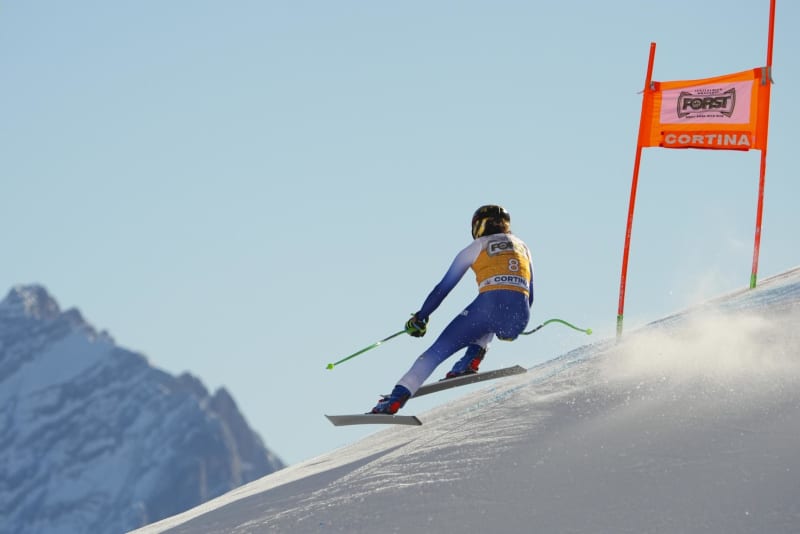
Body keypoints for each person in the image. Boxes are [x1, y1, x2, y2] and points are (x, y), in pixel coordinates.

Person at [370, 204, 534, 415]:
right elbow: (530, 293)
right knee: (492, 319)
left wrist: (421, 317)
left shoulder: (478, 246)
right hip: (519, 316)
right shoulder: (523, 247)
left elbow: (443, 288)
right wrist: (516, 327)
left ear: (478, 226)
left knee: (434, 353)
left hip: (488, 307)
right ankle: (471, 358)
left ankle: (395, 399)